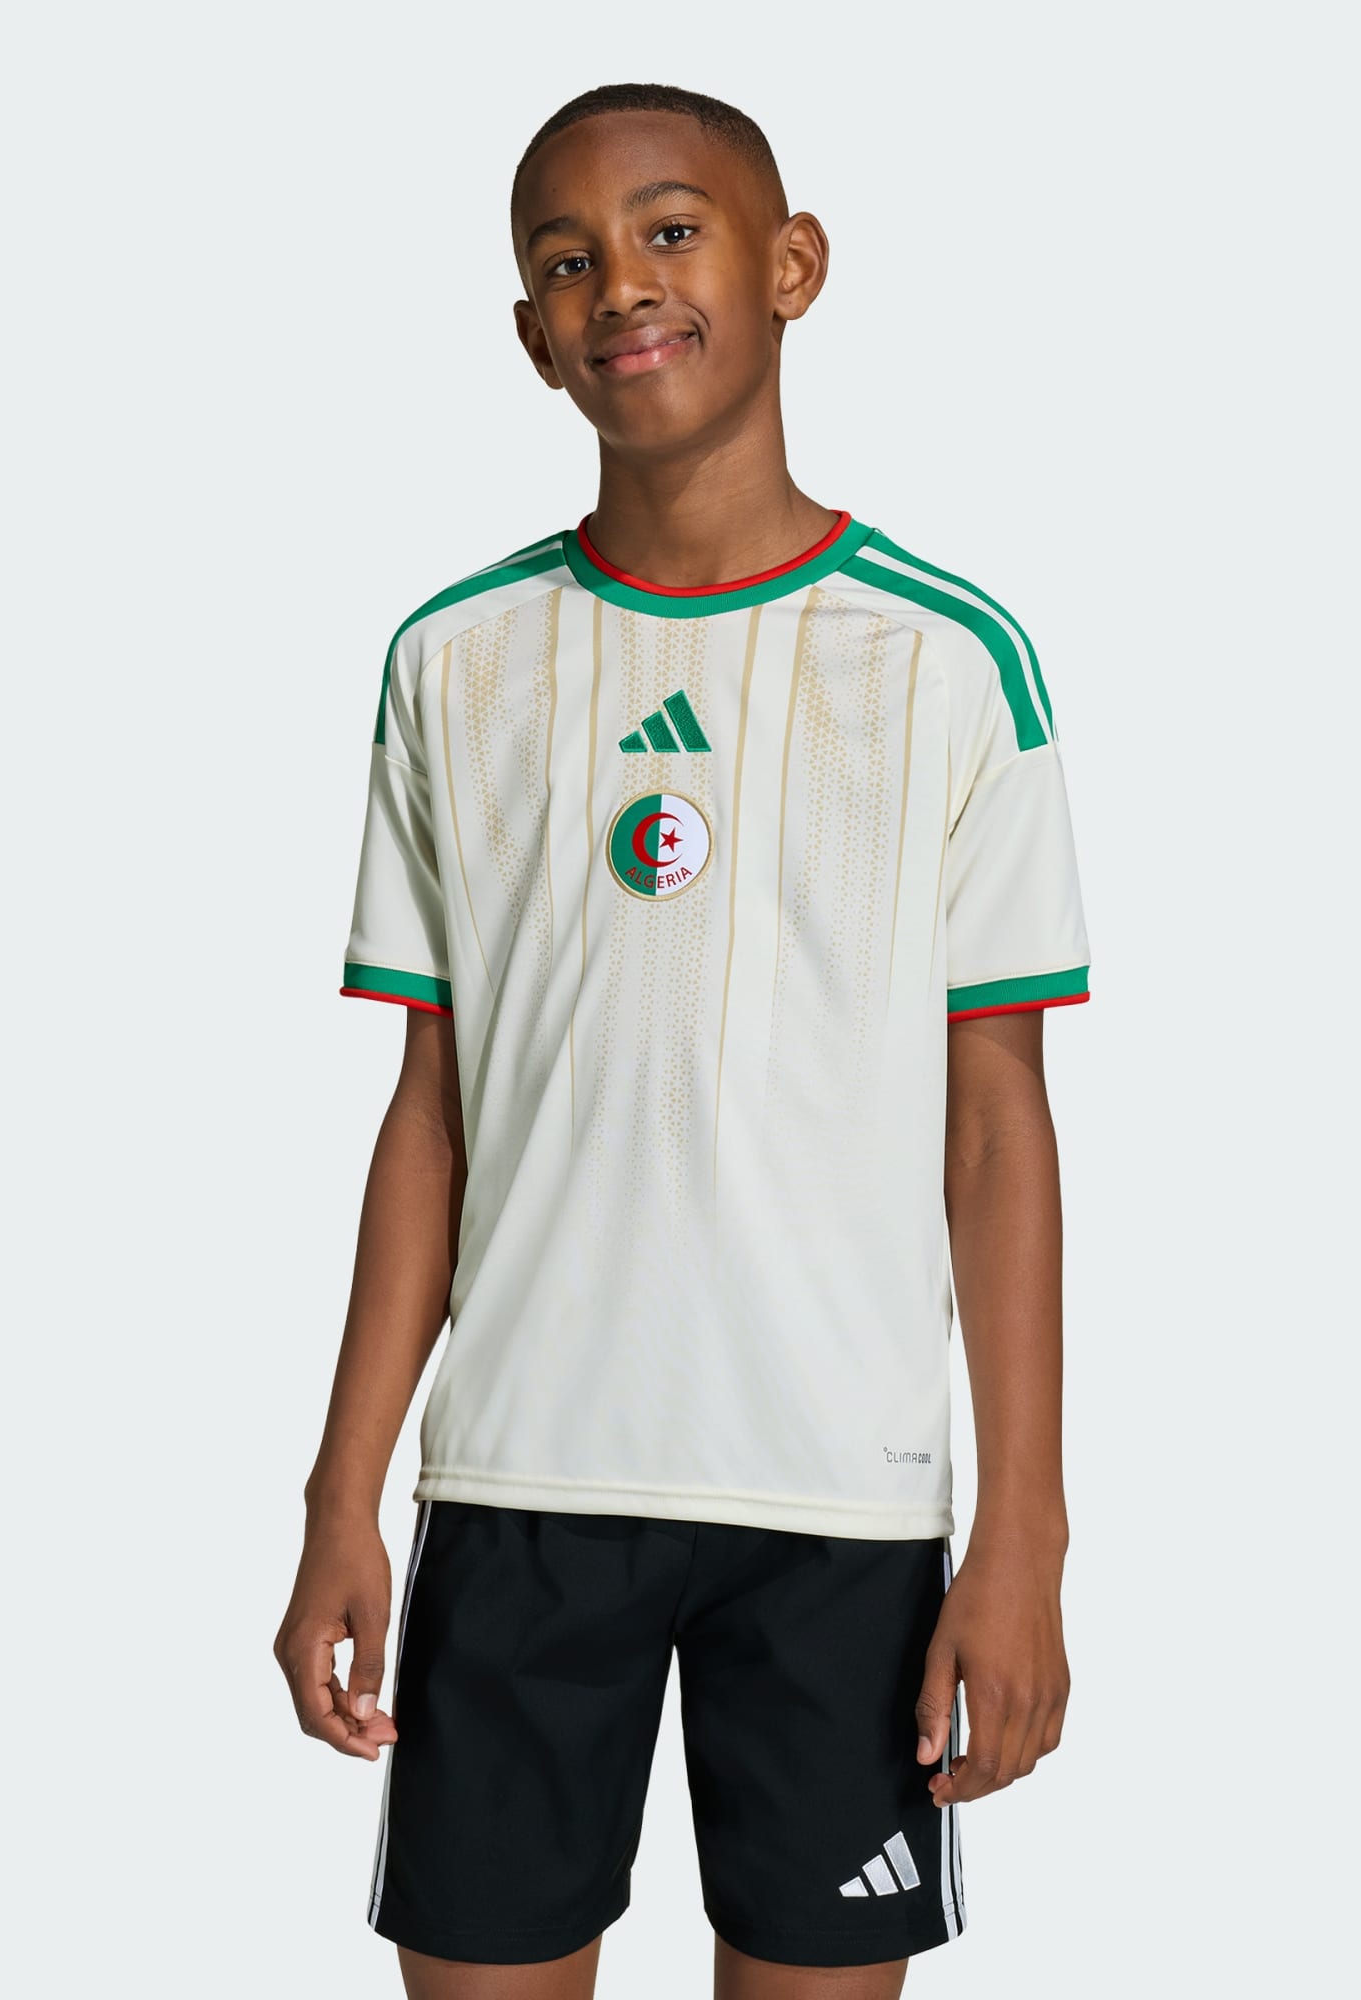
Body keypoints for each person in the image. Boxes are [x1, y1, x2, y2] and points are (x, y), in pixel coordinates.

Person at [275, 81, 1091, 2000]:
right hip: (520, 1490)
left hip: (838, 1505)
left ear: (791, 265)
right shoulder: (451, 661)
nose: (619, 286)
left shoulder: (951, 662)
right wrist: (338, 1495)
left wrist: (1025, 1541)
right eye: (565, 260)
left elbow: (997, 1129)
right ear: (529, 333)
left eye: (666, 231)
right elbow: (431, 1117)